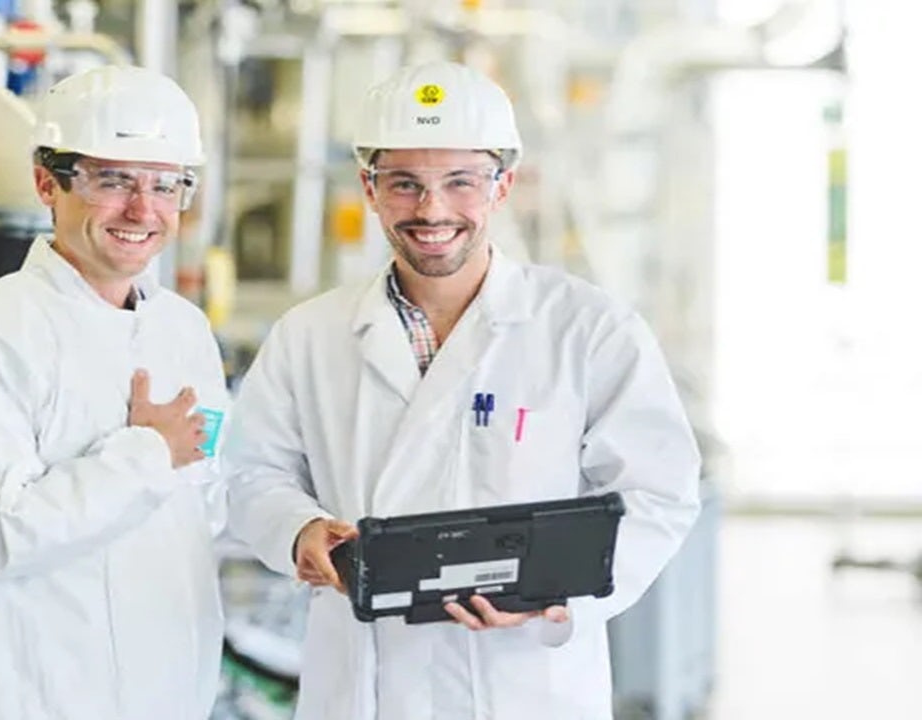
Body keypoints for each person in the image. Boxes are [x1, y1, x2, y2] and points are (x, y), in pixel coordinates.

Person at [223, 60, 702, 719]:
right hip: (368, 684)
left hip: (524, 681)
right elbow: (250, 472)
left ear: (502, 186)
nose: (433, 209)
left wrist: (557, 594)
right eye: (404, 184)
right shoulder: (311, 335)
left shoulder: (587, 329)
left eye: (460, 182)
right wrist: (297, 528)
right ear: (369, 187)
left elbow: (661, 492)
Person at [0, 65, 229, 720]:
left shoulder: (182, 330)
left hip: (167, 694)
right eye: (113, 181)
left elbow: (201, 507)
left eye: (165, 185)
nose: (142, 209)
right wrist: (146, 454)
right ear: (48, 181)